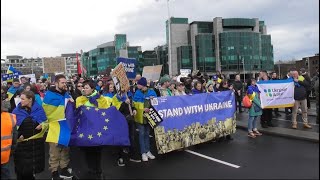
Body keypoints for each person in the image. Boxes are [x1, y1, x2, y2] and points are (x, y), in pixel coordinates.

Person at [75, 80, 109, 179]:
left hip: (97, 129)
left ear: (92, 89)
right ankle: (91, 169)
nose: (84, 89)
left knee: (97, 150)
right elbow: (78, 111)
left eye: (86, 88)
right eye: (83, 88)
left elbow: (105, 111)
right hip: (85, 128)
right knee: (88, 150)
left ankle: (98, 169)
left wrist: (96, 103)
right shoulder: (79, 99)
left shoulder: (101, 98)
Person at [43, 74, 74, 180]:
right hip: (54, 126)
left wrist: (70, 102)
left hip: (65, 125)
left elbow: (67, 109)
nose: (65, 84)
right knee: (54, 151)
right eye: (62, 82)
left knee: (65, 149)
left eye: (66, 82)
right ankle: (54, 172)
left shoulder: (66, 94)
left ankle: (64, 169)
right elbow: (47, 111)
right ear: (56, 83)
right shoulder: (49, 95)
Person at [12, 91, 47, 180]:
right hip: (22, 147)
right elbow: (12, 128)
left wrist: (43, 125)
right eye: (20, 98)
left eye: (23, 99)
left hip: (36, 146)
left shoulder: (39, 109)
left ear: (30, 99)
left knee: (32, 171)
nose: (21, 101)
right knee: (22, 171)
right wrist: (18, 136)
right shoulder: (16, 111)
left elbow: (46, 123)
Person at [112, 90, 140, 166]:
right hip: (120, 121)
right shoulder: (115, 98)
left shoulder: (128, 96)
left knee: (132, 137)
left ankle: (132, 156)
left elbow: (132, 106)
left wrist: (134, 110)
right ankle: (120, 158)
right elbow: (116, 111)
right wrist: (124, 103)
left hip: (130, 120)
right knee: (121, 139)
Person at [133, 77, 157, 162]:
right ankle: (143, 152)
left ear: (142, 85)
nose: (137, 85)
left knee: (147, 134)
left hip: (149, 117)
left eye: (138, 84)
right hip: (140, 117)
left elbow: (156, 102)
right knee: (141, 134)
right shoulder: (137, 93)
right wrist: (141, 109)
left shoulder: (151, 92)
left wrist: (149, 108)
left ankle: (148, 151)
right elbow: (134, 104)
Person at [1, 101, 17, 180]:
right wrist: (11, 151)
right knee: (5, 174)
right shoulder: (11, 117)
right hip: (5, 154)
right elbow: (14, 138)